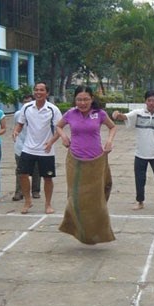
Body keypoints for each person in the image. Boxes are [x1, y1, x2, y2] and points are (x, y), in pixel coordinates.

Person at [46, 86, 117, 244]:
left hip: (96, 161)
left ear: (92, 99)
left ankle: (98, 233)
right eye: (79, 99)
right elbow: (58, 126)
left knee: (97, 199)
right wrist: (63, 136)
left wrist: (109, 141)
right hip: (75, 161)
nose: (82, 102)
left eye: (86, 99)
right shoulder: (71, 113)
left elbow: (112, 127)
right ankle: (76, 230)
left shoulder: (99, 114)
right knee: (75, 198)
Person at [112, 89, 154, 214]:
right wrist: (117, 114)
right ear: (145, 101)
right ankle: (140, 201)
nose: (151, 103)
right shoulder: (138, 113)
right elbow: (125, 117)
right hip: (140, 153)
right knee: (140, 179)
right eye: (149, 100)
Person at [12, 81, 62, 214]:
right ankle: (28, 201)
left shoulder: (53, 109)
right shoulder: (27, 107)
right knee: (22, 174)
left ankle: (48, 204)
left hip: (46, 150)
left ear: (47, 93)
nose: (38, 92)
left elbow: (59, 129)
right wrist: (16, 131)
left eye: (41, 90)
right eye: (36, 90)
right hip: (28, 148)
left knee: (47, 178)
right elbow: (20, 123)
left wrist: (51, 142)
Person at [11, 94, 41, 201]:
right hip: (21, 146)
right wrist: (14, 135)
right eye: (24, 102)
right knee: (20, 171)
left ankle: (35, 190)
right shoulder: (18, 114)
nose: (26, 104)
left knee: (36, 169)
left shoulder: (40, 113)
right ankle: (19, 192)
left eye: (29, 102)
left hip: (36, 146)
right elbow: (16, 127)